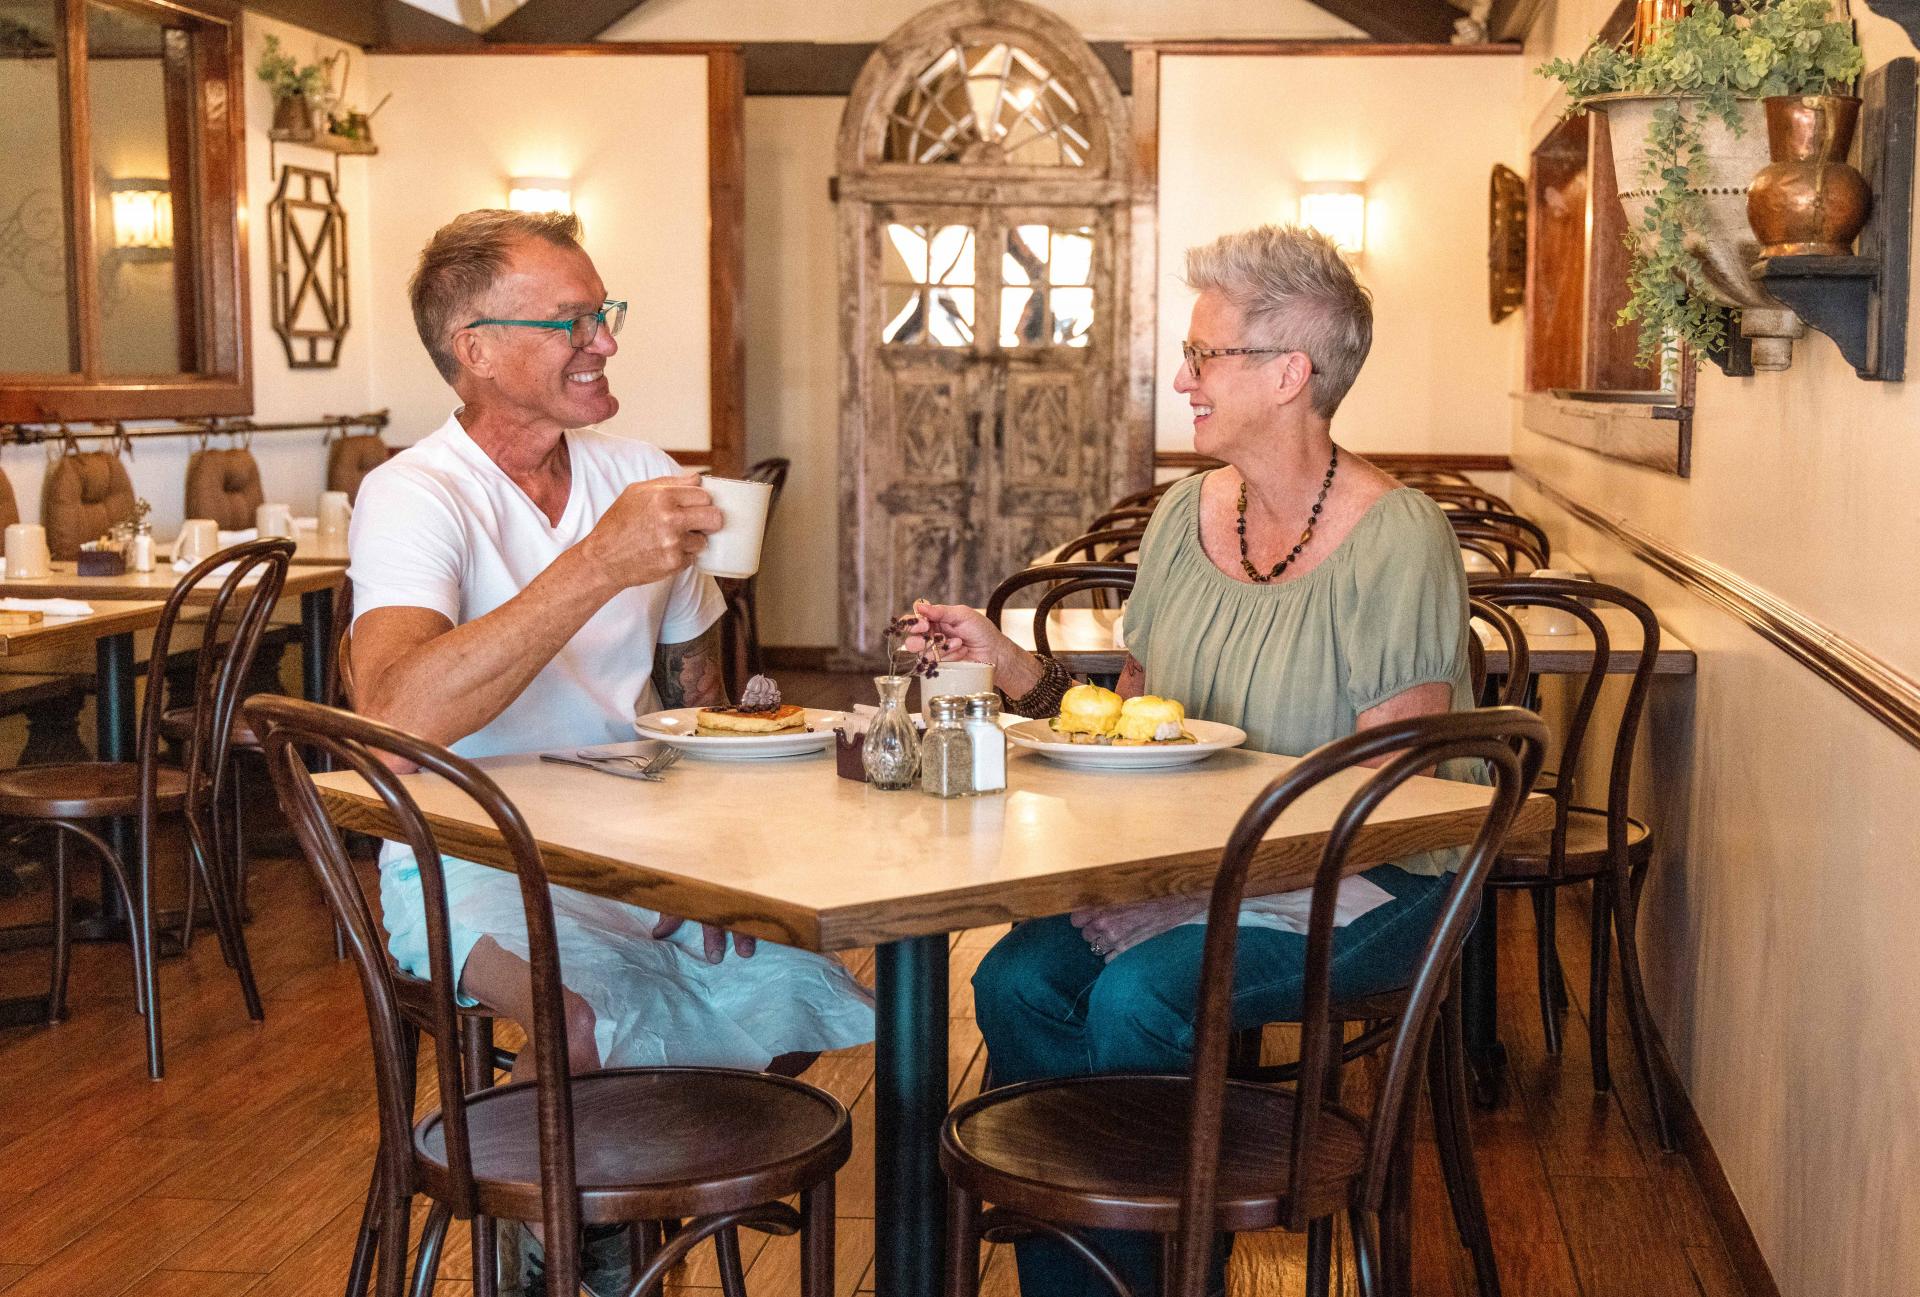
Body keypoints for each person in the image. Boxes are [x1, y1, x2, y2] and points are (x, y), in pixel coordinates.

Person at [908, 225, 1479, 1296]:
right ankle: (1082, 1259)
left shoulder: (1398, 537)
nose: (1183, 378)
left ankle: (1156, 1272)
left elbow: (1384, 804)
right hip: (1203, 867)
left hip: (1378, 877)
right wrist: (1009, 669)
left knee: (1139, 998)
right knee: (1016, 977)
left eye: (1205, 355)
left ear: (1289, 373)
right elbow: (1139, 730)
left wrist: (1185, 908)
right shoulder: (1183, 514)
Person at [347, 210, 874, 1107]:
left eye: (604, 312)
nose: (604, 342)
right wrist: (596, 562)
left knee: (815, 986)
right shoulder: (415, 493)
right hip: (471, 853)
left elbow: (698, 699)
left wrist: (727, 855)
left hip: (633, 845)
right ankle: (568, 1235)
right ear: (474, 349)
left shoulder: (638, 471)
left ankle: (633, 1193)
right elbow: (394, 723)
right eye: (570, 322)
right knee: (588, 1014)